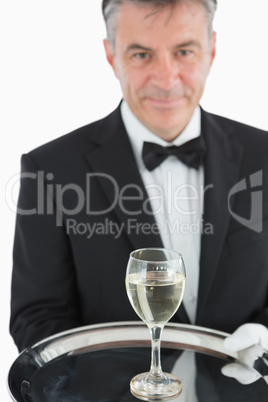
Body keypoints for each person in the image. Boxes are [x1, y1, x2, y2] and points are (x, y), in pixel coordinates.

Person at [10, 0, 268, 356]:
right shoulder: (50, 169)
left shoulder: (263, 155)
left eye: (184, 51)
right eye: (142, 55)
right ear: (111, 55)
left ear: (211, 49)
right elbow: (38, 317)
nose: (165, 79)